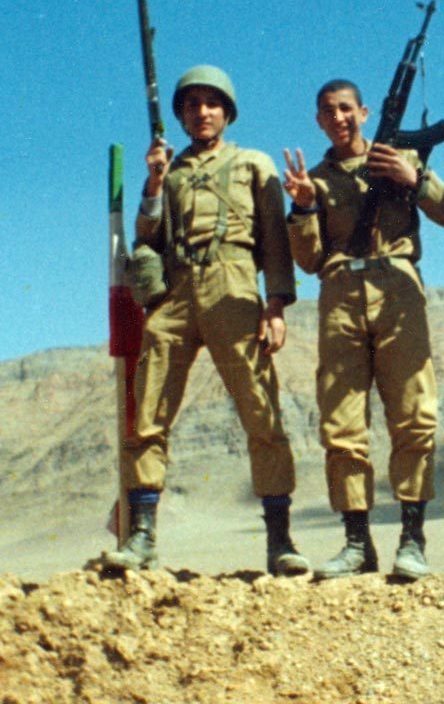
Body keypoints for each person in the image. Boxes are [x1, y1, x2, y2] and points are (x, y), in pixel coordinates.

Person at [102, 65, 308, 576]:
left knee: (261, 411)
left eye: (211, 103)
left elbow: (275, 238)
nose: (202, 112)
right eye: (191, 104)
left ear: (227, 111)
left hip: (232, 283)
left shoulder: (252, 163)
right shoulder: (168, 171)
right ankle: (142, 536)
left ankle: (279, 541)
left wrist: (276, 304)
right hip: (175, 291)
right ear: (180, 115)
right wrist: (154, 182)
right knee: (148, 410)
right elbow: (147, 236)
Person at [283, 79, 444, 581]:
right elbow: (309, 259)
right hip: (340, 294)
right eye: (328, 111)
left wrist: (412, 178)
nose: (338, 118)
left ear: (363, 112)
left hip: (398, 287)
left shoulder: (399, 157)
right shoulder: (315, 180)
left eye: (346, 109)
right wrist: (303, 207)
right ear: (319, 121)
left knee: (414, 414)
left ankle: (413, 540)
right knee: (341, 424)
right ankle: (357, 544)